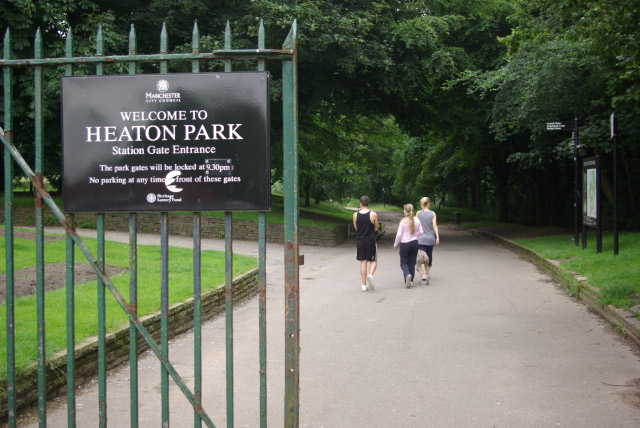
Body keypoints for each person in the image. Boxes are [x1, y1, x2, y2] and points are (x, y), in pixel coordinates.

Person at [393, 203, 423, 288]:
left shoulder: (403, 221)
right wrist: (415, 235)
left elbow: (399, 235)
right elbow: (421, 232)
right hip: (414, 243)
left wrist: (395, 244)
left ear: (405, 211)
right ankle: (411, 281)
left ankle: (407, 275)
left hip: (405, 244)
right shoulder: (417, 219)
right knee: (412, 262)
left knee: (404, 262)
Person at [353, 196, 379, 291]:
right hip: (370, 240)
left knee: (363, 262)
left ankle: (364, 285)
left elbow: (356, 228)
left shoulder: (355, 215)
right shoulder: (373, 214)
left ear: (360, 203)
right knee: (373, 261)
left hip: (360, 241)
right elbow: (376, 228)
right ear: (368, 204)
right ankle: (370, 275)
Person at [416, 196, 440, 285]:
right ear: (429, 203)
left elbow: (416, 225)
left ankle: (423, 274)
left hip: (420, 239)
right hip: (430, 238)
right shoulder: (433, 213)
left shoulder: (418, 213)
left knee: (421, 256)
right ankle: (427, 272)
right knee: (429, 256)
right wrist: (437, 237)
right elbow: (434, 225)